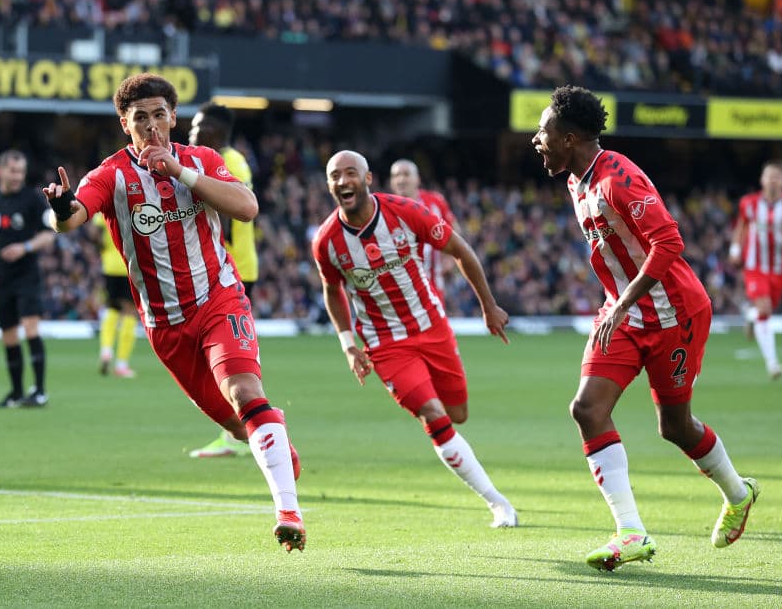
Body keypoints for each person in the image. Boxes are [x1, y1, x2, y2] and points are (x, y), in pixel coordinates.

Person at [41, 73, 304, 552]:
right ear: (125, 124)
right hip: (165, 327)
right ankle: (277, 447)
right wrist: (61, 209)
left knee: (245, 392)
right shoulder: (110, 174)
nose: (152, 126)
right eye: (140, 118)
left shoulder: (202, 160)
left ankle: (288, 511)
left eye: (159, 115)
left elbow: (247, 208)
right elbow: (75, 215)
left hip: (219, 299)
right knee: (236, 422)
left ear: (173, 118)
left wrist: (178, 173)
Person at [532, 85, 759, 572]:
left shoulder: (618, 177)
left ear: (570, 138)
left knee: (674, 427)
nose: (537, 139)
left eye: (544, 130)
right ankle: (630, 532)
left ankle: (738, 494)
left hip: (674, 313)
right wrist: (618, 304)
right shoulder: (576, 180)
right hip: (624, 312)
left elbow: (669, 241)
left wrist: (624, 302)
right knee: (587, 409)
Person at [312, 149, 519, 529]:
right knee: (435, 416)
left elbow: (460, 250)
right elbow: (331, 290)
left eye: (350, 173)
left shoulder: (406, 212)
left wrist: (489, 306)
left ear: (368, 178)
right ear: (328, 185)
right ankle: (498, 503)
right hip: (386, 345)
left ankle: (474, 471)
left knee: (458, 414)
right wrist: (348, 342)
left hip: (432, 328)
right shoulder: (327, 241)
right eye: (335, 176)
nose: (343, 182)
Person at [187, 102, 256, 459]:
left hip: (232, 271)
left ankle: (240, 433)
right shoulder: (226, 159)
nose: (193, 133)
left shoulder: (227, 161)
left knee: (226, 357)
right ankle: (244, 427)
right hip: (232, 268)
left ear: (218, 132)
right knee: (228, 358)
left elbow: (229, 218)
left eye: (200, 128)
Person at [0, 149, 56, 408]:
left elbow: (49, 234)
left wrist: (24, 248)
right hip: (0, 276)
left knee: (30, 328)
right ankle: (16, 393)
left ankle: (39, 392)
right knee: (8, 334)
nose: (17, 177)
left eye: (21, 172)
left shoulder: (32, 200)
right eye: (13, 171)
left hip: (27, 274)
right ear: (0, 171)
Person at [728, 160, 782, 380]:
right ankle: (773, 363)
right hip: (755, 265)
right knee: (765, 309)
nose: (773, 180)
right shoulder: (749, 203)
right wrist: (735, 250)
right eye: (769, 176)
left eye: (777, 176)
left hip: (781, 269)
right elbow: (741, 227)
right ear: (762, 179)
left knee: (763, 311)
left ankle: (750, 314)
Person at [388, 159, 458, 303]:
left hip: (432, 285)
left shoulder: (435, 202)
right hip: (397, 288)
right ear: (391, 182)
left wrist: (450, 260)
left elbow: (454, 231)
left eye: (406, 174)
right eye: (396, 175)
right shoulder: (383, 208)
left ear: (417, 179)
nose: (401, 179)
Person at [92, 212, 138, 378]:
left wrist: (103, 250)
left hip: (109, 266)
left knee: (112, 309)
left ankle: (106, 350)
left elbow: (95, 234)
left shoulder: (104, 211)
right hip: (128, 266)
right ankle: (121, 364)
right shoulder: (130, 206)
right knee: (130, 312)